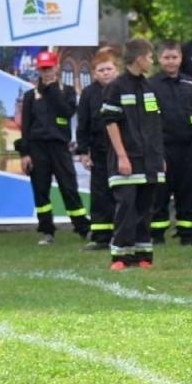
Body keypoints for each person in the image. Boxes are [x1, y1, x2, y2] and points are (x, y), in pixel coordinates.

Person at [100, 39, 165, 270]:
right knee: (126, 206)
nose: (152, 61)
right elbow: (111, 123)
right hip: (128, 159)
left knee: (146, 208)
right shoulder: (116, 87)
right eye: (149, 57)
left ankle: (143, 255)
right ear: (139, 59)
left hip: (150, 160)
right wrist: (122, 156)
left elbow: (154, 125)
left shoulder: (148, 87)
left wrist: (160, 157)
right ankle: (120, 256)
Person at [18, 49, 91, 244]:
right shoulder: (30, 96)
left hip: (60, 147)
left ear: (57, 68)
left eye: (49, 68)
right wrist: (25, 153)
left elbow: (67, 112)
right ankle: (47, 231)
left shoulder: (67, 91)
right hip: (37, 148)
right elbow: (25, 126)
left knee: (69, 187)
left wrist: (51, 90)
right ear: (38, 70)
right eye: (43, 69)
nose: (46, 73)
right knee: (41, 190)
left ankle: (83, 228)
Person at [149, 41, 192, 245]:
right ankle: (156, 233)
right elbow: (148, 119)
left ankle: (187, 233)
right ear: (159, 59)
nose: (171, 62)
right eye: (167, 57)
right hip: (162, 147)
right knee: (160, 193)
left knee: (187, 190)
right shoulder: (151, 85)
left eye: (174, 57)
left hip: (187, 146)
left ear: (181, 58)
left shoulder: (189, 84)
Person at [76, 49, 119, 250]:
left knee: (120, 194)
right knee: (100, 194)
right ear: (94, 73)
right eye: (101, 70)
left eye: (109, 69)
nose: (105, 73)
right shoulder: (88, 93)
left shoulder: (123, 89)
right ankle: (101, 236)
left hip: (121, 152)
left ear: (116, 70)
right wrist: (83, 152)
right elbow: (82, 124)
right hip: (99, 152)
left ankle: (121, 234)